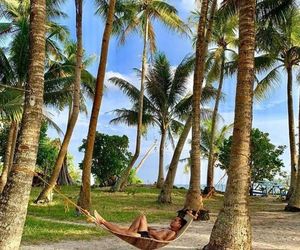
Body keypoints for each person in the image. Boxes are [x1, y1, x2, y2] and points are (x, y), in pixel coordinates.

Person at [93, 210, 196, 241]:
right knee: (141, 217)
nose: (172, 221)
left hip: (146, 237)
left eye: (175, 220)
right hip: (145, 233)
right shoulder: (168, 228)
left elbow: (162, 239)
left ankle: (102, 221)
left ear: (179, 226)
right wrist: (148, 228)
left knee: (125, 231)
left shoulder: (173, 232)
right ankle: (129, 231)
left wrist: (151, 231)